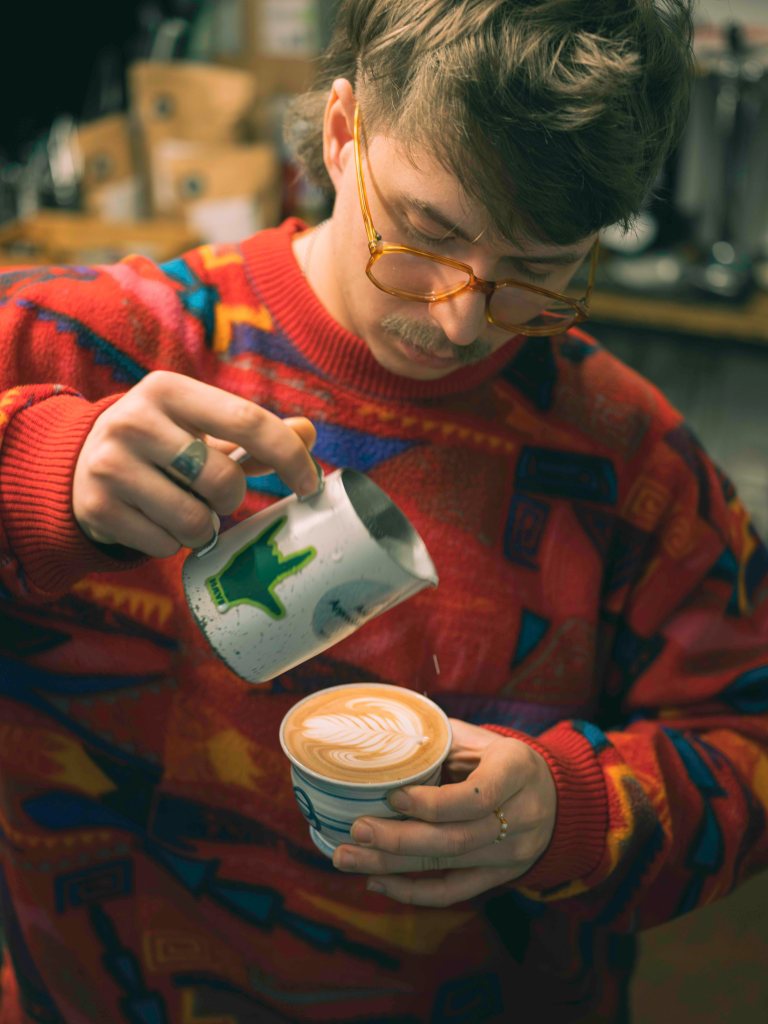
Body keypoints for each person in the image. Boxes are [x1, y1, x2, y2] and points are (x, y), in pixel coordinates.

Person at [1, 1, 766, 1021]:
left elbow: (748, 737)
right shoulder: (87, 345)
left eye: (538, 269)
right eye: (426, 232)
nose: (459, 320)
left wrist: (574, 813)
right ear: (341, 131)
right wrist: (32, 474)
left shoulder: (633, 462)